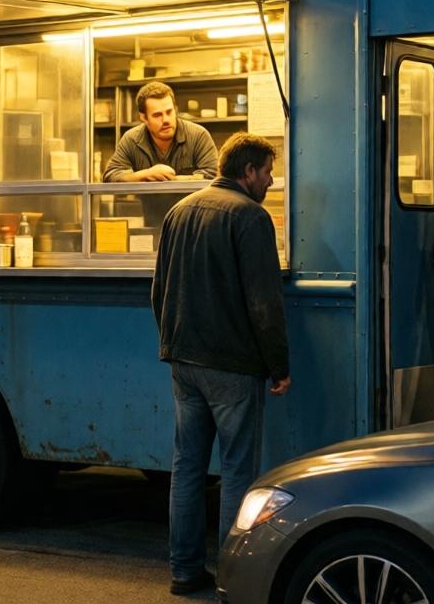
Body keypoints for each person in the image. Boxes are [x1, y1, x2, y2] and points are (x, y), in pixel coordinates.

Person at [151, 132, 291, 596]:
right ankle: (234, 578)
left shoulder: (179, 211)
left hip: (183, 360)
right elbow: (264, 302)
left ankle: (184, 570)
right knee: (237, 472)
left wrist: (172, 342)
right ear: (248, 171)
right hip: (232, 364)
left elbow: (159, 290)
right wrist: (278, 365)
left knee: (187, 468)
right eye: (267, 172)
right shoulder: (250, 217)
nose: (270, 181)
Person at [104, 81, 219, 183]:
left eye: (169, 112)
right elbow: (110, 176)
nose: (165, 120)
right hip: (148, 202)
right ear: (143, 118)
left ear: (176, 109)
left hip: (192, 202)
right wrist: (147, 174)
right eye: (157, 115)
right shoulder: (131, 139)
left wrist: (171, 179)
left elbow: (213, 176)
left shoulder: (198, 136)